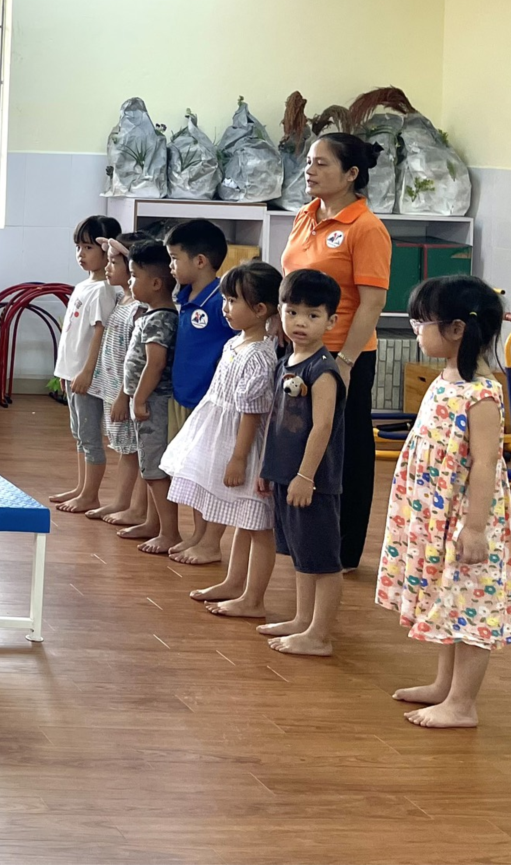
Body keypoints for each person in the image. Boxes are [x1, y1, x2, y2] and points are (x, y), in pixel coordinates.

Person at [377, 276, 511, 728]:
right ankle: (445, 686)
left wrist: (474, 528)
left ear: (457, 328)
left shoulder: (482, 393)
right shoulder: (445, 379)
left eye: (421, 323)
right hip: (435, 514)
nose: (416, 331)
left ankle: (462, 704)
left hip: (465, 516)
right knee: (448, 601)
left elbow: (485, 463)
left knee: (470, 606)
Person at [280, 132, 392, 570]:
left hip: (344, 355)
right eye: (309, 161)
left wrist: (344, 360)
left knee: (346, 447)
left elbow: (372, 302)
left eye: (321, 163)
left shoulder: (366, 228)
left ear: (351, 174)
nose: (310, 170)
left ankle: (344, 550)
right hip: (300, 350)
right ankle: (302, 536)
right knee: (299, 438)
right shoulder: (304, 215)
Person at [162, 261, 281, 615]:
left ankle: (254, 599)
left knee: (257, 526)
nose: (225, 308)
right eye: (226, 300)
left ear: (260, 309)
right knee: (244, 521)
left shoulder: (260, 356)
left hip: (244, 447)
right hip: (222, 436)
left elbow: (251, 413)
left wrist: (239, 458)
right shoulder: (235, 343)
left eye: (233, 301)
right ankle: (234, 583)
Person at [258, 268, 347, 656]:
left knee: (322, 560)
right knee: (301, 552)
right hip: (286, 474)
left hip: (312, 480)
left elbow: (322, 426)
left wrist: (305, 476)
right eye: (292, 312)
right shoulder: (287, 361)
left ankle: (320, 635)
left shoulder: (322, 370)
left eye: (313, 315)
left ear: (331, 321)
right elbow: (276, 418)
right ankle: (302, 619)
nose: (300, 322)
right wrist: (269, 468)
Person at [165, 218, 239, 566]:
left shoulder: (221, 300)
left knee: (211, 475)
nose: (170, 266)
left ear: (200, 261)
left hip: (212, 404)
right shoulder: (184, 294)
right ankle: (198, 534)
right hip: (184, 396)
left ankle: (212, 543)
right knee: (193, 472)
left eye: (174, 258)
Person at [47, 214, 119, 511]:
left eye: (88, 247)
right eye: (78, 247)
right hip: (72, 373)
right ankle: (81, 487)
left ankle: (91, 495)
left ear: (107, 250)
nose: (81, 253)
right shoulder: (83, 286)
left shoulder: (104, 290)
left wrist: (88, 372)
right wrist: (64, 372)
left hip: (85, 376)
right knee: (79, 434)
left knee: (90, 437)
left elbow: (100, 333)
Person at [115, 241, 180, 554]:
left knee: (155, 470)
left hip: (154, 402)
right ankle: (154, 525)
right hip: (148, 401)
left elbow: (155, 363)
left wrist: (139, 398)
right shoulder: (150, 315)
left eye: (134, 276)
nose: (130, 282)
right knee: (150, 468)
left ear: (156, 283)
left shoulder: (160, 319)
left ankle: (170, 532)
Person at [91, 234, 147, 524]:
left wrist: (125, 395)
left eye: (115, 262)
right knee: (125, 449)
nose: (108, 267)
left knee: (135, 451)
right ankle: (122, 502)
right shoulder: (119, 298)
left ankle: (134, 507)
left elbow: (138, 358)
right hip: (113, 388)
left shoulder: (140, 307)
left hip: (127, 393)